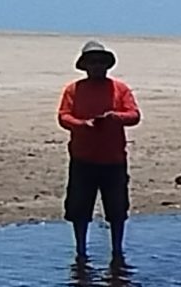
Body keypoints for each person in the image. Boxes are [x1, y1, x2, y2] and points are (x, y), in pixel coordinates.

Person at [57, 40, 141, 258]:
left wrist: (114, 117)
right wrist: (82, 125)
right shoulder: (74, 89)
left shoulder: (119, 89)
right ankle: (81, 250)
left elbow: (134, 116)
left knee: (117, 209)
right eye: (93, 62)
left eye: (101, 62)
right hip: (83, 158)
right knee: (79, 209)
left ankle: (117, 250)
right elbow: (63, 116)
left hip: (113, 160)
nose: (97, 66)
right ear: (85, 66)